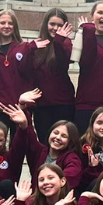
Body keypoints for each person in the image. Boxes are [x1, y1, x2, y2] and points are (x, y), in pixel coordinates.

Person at [0, 9, 37, 146]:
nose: (6, 26)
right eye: (3, 23)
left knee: (19, 148)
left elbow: (30, 77)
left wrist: (26, 104)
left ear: (15, 26)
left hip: (20, 109)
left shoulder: (24, 48)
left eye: (10, 23)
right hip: (0, 108)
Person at [3, 103, 83, 190]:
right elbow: (29, 137)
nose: (58, 137)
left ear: (70, 141)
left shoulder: (72, 158)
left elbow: (70, 177)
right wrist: (24, 123)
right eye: (55, 133)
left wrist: (50, 186)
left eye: (64, 136)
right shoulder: (40, 151)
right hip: (36, 200)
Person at [28, 9, 77, 144]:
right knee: (44, 142)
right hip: (42, 105)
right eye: (52, 24)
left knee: (63, 143)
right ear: (46, 24)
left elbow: (62, 64)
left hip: (63, 104)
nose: (55, 28)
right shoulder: (38, 44)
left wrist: (59, 41)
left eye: (59, 25)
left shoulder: (65, 44)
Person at [75, 2, 103, 131]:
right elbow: (85, 61)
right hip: (88, 104)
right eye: (100, 12)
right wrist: (87, 31)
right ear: (92, 15)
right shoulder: (83, 39)